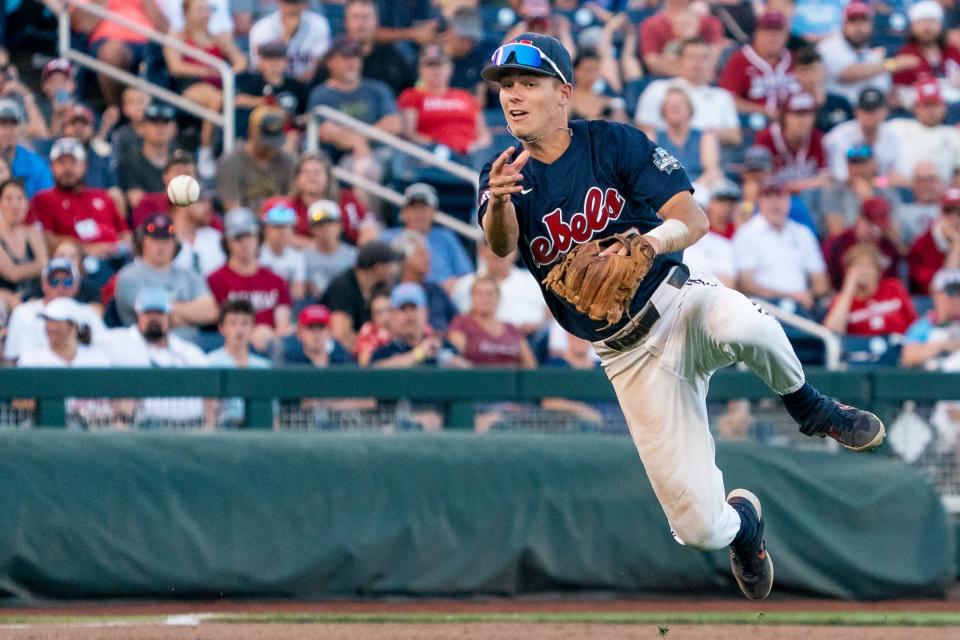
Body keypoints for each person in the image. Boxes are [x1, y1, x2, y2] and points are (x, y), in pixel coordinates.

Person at [478, 33, 885, 601]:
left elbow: (693, 219)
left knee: (746, 325)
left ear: (564, 92)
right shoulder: (504, 174)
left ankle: (812, 408)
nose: (513, 96)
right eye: (505, 87)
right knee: (698, 530)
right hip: (624, 354)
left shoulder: (613, 141)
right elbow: (501, 247)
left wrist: (647, 243)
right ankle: (746, 529)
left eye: (528, 83)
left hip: (678, 300)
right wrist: (498, 201)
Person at [99, 286, 211, 428]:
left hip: (189, 426)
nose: (154, 319)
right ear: (138, 314)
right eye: (148, 313)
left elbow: (209, 392)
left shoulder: (188, 351)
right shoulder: (116, 340)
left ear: (168, 315)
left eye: (159, 313)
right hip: (139, 427)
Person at [162, 0, 247, 178]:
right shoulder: (178, 36)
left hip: (219, 86)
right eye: (200, 9)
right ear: (187, 13)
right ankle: (205, 151)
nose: (205, 14)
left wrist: (229, 72)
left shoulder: (217, 37)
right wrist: (210, 70)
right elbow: (176, 66)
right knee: (215, 100)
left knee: (240, 100)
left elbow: (240, 60)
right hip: (191, 86)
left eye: (207, 9)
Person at [113, 212, 219, 336]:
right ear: (143, 241)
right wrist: (191, 313)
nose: (161, 245)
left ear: (175, 243)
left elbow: (211, 312)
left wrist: (163, 308)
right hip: (145, 347)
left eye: (166, 239)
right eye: (155, 239)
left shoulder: (189, 275)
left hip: (192, 348)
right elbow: (152, 319)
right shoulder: (129, 275)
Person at [29, 138, 131, 265]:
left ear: (84, 165)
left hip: (118, 258)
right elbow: (45, 238)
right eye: (61, 162)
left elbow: (125, 233)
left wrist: (122, 247)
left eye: (73, 162)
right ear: (52, 167)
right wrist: (85, 249)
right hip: (78, 263)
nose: (67, 168)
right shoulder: (43, 199)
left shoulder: (103, 196)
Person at [733, 181, 830, 312]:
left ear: (789, 201)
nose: (774, 203)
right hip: (763, 307)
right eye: (768, 197)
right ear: (760, 202)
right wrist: (791, 296)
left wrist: (810, 295)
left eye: (779, 196)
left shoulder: (802, 233)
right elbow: (745, 283)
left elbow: (820, 279)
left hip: (802, 305)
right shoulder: (747, 233)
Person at [207, 207, 293, 351]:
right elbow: (220, 324)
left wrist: (267, 336)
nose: (244, 242)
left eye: (249, 236)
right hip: (231, 349)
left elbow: (282, 325)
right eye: (238, 237)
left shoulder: (276, 280)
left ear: (258, 237)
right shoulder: (215, 280)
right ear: (227, 241)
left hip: (271, 348)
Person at [635, 38, 741, 147]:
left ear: (712, 62)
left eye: (704, 57)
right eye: (692, 57)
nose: (698, 63)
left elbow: (735, 137)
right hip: (666, 153)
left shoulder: (722, 96)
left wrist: (704, 136)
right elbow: (644, 129)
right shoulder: (658, 88)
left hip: (712, 154)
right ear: (680, 61)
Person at [2, 257, 106, 363]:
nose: (60, 287)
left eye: (68, 281)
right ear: (43, 284)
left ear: (77, 284)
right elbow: (15, 359)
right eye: (54, 281)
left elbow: (101, 353)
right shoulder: (23, 313)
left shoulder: (88, 314)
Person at [397, 44, 491, 158]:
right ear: (420, 69)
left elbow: (484, 134)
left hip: (471, 155)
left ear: (450, 68)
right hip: (433, 157)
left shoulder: (465, 96)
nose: (435, 70)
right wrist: (437, 147)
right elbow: (409, 133)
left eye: (440, 64)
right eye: (430, 65)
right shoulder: (411, 95)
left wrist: (475, 147)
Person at [817, 2, 914, 107]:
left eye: (863, 21)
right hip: (836, 109)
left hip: (867, 112)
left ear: (871, 25)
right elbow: (847, 74)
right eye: (853, 21)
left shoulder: (871, 55)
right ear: (843, 24)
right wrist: (892, 64)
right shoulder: (829, 46)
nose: (858, 28)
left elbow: (883, 90)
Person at [380, 183, 474, 291]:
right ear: (403, 212)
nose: (419, 213)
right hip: (401, 295)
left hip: (443, 297)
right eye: (414, 207)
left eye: (424, 208)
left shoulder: (446, 237)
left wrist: (453, 284)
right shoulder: (387, 237)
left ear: (434, 212)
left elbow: (467, 275)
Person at [822, 243, 917, 337]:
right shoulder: (842, 300)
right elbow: (832, 333)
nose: (864, 271)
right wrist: (849, 288)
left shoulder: (894, 287)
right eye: (858, 266)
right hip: (862, 349)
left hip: (899, 345)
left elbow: (913, 323)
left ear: (878, 271)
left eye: (869, 266)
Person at [322, 239, 402, 350]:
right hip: (344, 357)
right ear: (378, 268)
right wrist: (369, 350)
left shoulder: (380, 287)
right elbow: (341, 334)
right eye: (390, 265)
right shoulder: (343, 287)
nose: (394, 270)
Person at [216, 105, 297, 212]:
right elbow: (233, 209)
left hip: (281, 221)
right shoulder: (231, 162)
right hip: (246, 224)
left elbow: (294, 202)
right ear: (251, 133)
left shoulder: (288, 161)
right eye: (265, 141)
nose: (270, 147)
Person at [719, 10, 800, 117]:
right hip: (753, 125)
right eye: (767, 31)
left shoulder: (796, 59)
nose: (772, 37)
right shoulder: (739, 60)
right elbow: (728, 100)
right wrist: (765, 111)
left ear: (787, 35)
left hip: (793, 126)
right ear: (757, 33)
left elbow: (813, 95)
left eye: (777, 32)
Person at [88, 0, 169, 106]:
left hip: (148, 42)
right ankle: (117, 109)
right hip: (107, 42)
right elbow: (82, 26)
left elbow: (165, 29)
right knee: (112, 52)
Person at [816, 143, 904, 239]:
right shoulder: (833, 192)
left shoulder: (887, 192)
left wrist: (870, 201)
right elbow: (836, 234)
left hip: (881, 249)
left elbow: (895, 236)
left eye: (863, 163)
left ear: (874, 164)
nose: (858, 169)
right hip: (848, 250)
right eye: (853, 163)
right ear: (847, 167)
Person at [206, 298, 271, 427]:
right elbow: (208, 415)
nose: (239, 330)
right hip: (223, 432)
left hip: (257, 432)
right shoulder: (209, 362)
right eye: (233, 323)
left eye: (245, 323)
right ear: (222, 328)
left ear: (252, 327)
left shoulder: (264, 366)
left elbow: (272, 415)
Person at [447, 276, 536, 368]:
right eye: (480, 294)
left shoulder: (511, 329)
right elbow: (455, 358)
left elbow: (530, 364)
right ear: (472, 298)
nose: (485, 299)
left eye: (490, 294)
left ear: (498, 297)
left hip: (509, 380)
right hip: (477, 379)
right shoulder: (462, 323)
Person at [288, 151, 372, 246]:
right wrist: (321, 248)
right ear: (297, 179)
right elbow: (285, 238)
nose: (311, 177)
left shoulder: (346, 199)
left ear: (328, 178)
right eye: (306, 172)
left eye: (317, 172)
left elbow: (369, 227)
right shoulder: (288, 207)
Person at [887, 78, 960, 186]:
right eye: (926, 105)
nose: (931, 110)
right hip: (904, 190)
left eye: (935, 105)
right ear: (916, 107)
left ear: (944, 107)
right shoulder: (897, 127)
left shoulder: (954, 134)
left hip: (942, 192)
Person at [646, 87, 723, 188]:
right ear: (663, 110)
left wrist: (694, 189)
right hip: (663, 192)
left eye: (680, 103)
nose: (674, 106)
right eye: (669, 104)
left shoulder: (705, 137)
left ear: (689, 109)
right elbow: (648, 173)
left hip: (698, 190)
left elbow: (712, 171)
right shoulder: (652, 138)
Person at [753, 91, 829, 193]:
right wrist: (799, 186)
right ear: (784, 116)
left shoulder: (817, 137)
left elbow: (825, 179)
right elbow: (758, 182)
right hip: (774, 199)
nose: (804, 120)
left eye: (809, 114)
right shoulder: (766, 138)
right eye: (798, 114)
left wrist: (793, 186)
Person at [822, 88, 899, 184]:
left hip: (883, 192)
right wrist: (882, 181)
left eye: (875, 110)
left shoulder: (893, 136)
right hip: (845, 193)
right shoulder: (839, 136)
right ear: (856, 111)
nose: (871, 115)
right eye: (866, 110)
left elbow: (900, 178)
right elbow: (840, 177)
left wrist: (875, 183)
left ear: (886, 111)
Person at [891, 1, 960, 106]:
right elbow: (899, 95)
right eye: (922, 22)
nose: (927, 27)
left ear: (940, 25)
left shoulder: (953, 52)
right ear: (912, 27)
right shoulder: (905, 54)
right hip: (920, 111)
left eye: (932, 21)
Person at [344, 0, 417, 97]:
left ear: (376, 21)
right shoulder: (335, 59)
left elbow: (410, 91)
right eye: (355, 17)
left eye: (366, 17)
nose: (360, 24)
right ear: (346, 21)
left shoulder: (393, 57)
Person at [249, 0, 331, 85]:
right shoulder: (262, 27)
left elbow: (320, 60)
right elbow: (258, 65)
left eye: (296, 3)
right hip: (273, 84)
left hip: (308, 83)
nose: (291, 8)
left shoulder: (318, 24)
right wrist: (286, 36)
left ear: (305, 4)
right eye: (287, 3)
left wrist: (297, 84)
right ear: (278, 2)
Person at [390, 230, 458, 333]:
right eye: (421, 254)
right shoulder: (391, 291)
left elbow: (457, 320)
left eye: (428, 254)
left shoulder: (435, 290)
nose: (428, 258)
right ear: (404, 259)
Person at [637, 0, 724, 77]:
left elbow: (713, 57)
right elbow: (653, 62)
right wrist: (687, 74)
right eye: (681, 25)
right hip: (667, 80)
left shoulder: (710, 22)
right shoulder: (651, 24)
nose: (684, 27)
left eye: (688, 24)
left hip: (703, 81)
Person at [117, 103, 178, 209]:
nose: (160, 128)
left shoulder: (180, 161)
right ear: (142, 128)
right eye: (154, 122)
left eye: (166, 122)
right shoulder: (129, 161)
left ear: (174, 129)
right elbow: (136, 201)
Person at [681, 180, 739, 288]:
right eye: (685, 208)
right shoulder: (661, 239)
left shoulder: (723, 244)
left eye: (698, 208)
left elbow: (728, 284)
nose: (691, 214)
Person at [901, 268, 960, 368]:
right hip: (932, 380)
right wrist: (944, 345)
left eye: (958, 293)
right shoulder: (924, 325)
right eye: (949, 292)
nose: (955, 298)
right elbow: (908, 357)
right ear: (935, 294)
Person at [0, 178, 46, 300]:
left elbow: (45, 266)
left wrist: (43, 265)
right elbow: (12, 273)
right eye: (8, 198)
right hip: (7, 299)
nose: (15, 204)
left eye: (20, 198)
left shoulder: (33, 233)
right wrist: (40, 265)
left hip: (36, 297)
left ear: (27, 203)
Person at [908, 188, 960, 294]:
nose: (954, 218)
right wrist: (956, 245)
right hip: (932, 302)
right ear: (940, 213)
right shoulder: (922, 243)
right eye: (948, 211)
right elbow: (941, 288)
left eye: (959, 212)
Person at [303, 199, 357, 298]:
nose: (325, 228)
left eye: (330, 222)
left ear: (340, 225)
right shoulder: (303, 258)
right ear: (311, 229)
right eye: (319, 224)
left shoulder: (354, 256)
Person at [0, 100, 52, 198]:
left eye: (13, 124)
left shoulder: (36, 164)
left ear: (21, 128)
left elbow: (46, 201)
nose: (7, 131)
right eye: (2, 124)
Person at [258, 197, 306, 300]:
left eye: (286, 225)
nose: (282, 231)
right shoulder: (256, 255)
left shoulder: (297, 257)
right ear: (265, 228)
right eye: (277, 226)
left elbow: (298, 294)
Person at [567, 49, 628, 124]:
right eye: (588, 70)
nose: (592, 75)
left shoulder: (608, 102)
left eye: (596, 70)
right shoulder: (566, 100)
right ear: (576, 71)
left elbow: (621, 128)